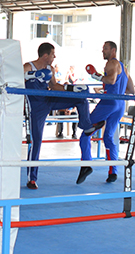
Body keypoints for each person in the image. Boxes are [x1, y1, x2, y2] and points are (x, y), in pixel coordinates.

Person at [24, 43, 102, 189]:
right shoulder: (28, 67)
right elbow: (16, 81)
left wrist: (72, 89)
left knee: (81, 98)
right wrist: (31, 76)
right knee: (36, 142)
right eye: (53, 54)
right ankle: (32, 179)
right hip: (35, 108)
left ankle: (86, 126)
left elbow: (54, 86)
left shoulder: (50, 69)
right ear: (45, 55)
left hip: (49, 100)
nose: (55, 57)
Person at [78, 41, 135, 185]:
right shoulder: (124, 67)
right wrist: (115, 91)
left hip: (109, 102)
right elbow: (131, 90)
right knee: (109, 137)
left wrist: (97, 76)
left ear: (113, 50)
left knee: (86, 131)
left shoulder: (111, 64)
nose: (102, 51)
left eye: (105, 48)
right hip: (120, 103)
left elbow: (111, 79)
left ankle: (86, 165)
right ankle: (113, 172)